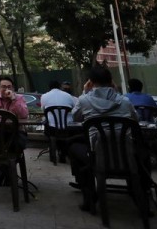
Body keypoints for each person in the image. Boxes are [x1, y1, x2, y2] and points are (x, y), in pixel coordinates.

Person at [67, 66, 139, 211]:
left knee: (73, 147)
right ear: (111, 81)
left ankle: (89, 194)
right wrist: (116, 94)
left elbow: (75, 117)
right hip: (128, 154)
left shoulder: (84, 100)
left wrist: (85, 92)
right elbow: (135, 119)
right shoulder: (125, 101)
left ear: (91, 82)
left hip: (96, 155)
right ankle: (141, 193)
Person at [0, 76, 30, 150]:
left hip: (16, 132)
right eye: (3, 87)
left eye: (9, 87)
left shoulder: (19, 98)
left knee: (15, 143)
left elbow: (24, 115)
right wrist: (3, 115)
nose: (7, 89)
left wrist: (13, 100)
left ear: (13, 88)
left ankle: (10, 159)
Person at [40, 79, 78, 162]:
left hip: (52, 129)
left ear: (49, 87)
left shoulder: (44, 96)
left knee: (48, 127)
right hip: (68, 128)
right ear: (60, 86)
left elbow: (43, 110)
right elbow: (75, 108)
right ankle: (64, 152)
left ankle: (56, 151)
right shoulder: (68, 96)